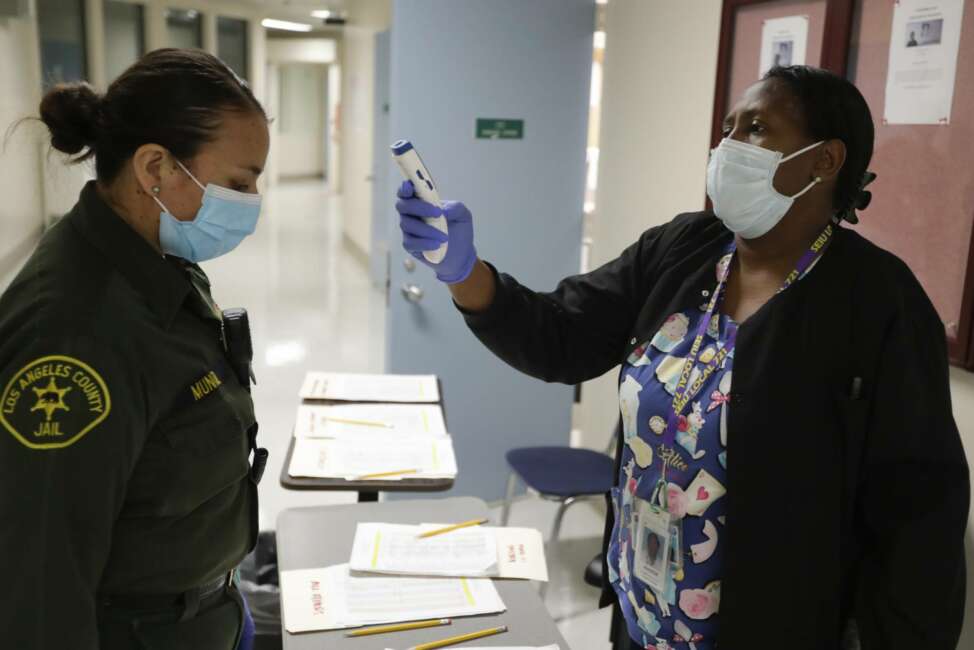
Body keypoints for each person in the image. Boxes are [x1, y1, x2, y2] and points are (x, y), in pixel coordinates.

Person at [395, 65, 969, 649]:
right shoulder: (683, 249)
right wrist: (465, 274)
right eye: (728, 128)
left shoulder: (876, 301)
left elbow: (920, 516)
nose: (728, 146)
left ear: (824, 161)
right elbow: (562, 338)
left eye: (757, 128)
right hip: (642, 610)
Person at [0, 49, 270, 649]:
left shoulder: (157, 264)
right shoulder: (74, 335)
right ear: (156, 167)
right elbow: (40, 586)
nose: (252, 201)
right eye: (239, 182)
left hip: (205, 612)